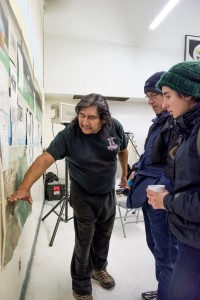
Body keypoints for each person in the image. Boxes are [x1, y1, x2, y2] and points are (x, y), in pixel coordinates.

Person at [8, 93, 128, 300]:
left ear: (104, 119)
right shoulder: (70, 134)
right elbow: (45, 159)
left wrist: (125, 174)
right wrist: (25, 187)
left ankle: (99, 268)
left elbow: (123, 150)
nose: (84, 121)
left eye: (91, 117)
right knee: (84, 240)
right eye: (81, 115)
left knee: (103, 236)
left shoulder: (114, 127)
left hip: (107, 192)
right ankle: (81, 286)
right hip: (83, 194)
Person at [147, 61, 200, 300]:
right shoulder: (187, 128)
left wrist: (168, 201)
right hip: (189, 235)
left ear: (188, 94)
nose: (163, 103)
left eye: (167, 95)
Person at [126, 72, 179, 300]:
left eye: (155, 95)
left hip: (162, 197)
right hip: (149, 194)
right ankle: (163, 291)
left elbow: (176, 166)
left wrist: (162, 194)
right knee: (156, 248)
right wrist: (136, 167)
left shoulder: (179, 123)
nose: (151, 101)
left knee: (168, 255)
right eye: (148, 96)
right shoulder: (158, 124)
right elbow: (150, 156)